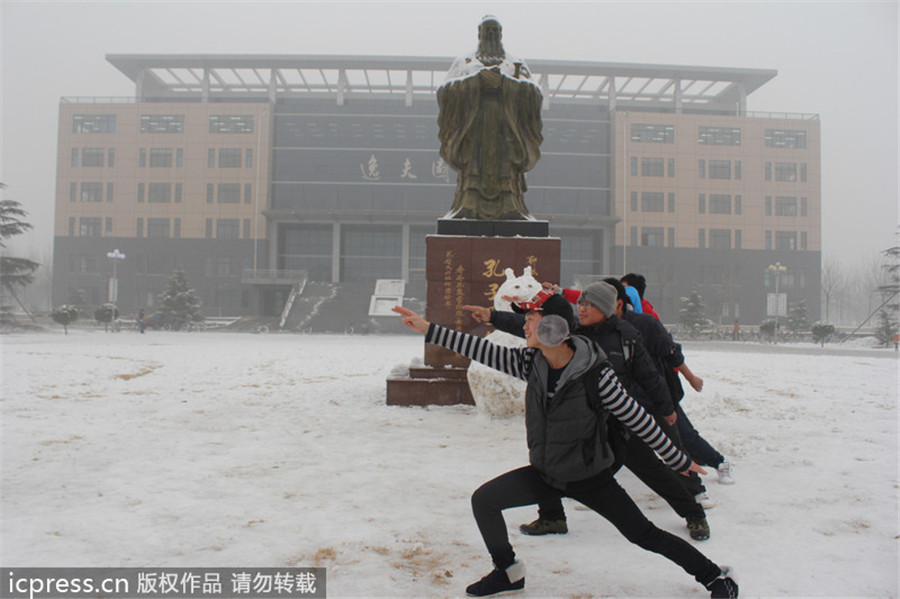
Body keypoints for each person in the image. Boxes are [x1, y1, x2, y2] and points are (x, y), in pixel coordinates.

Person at [392, 298, 738, 598]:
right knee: (484, 501)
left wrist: (678, 458)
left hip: (591, 478)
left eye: (531, 319)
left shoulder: (596, 374)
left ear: (555, 328)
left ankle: (715, 577)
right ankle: (509, 572)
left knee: (644, 535)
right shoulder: (532, 362)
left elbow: (638, 419)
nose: (525, 325)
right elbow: (482, 350)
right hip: (548, 473)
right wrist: (427, 327)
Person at [465, 284, 712, 541]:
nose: (582, 308)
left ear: (606, 309)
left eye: (590, 305)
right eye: (581, 303)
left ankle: (693, 513)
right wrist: (492, 316)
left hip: (619, 421)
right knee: (550, 463)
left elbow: (649, 375)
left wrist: (666, 409)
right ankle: (552, 517)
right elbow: (530, 326)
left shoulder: (626, 335)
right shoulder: (571, 329)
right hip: (582, 418)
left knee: (653, 470)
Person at [437, 15, 544, 220]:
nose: (491, 34)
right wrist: (476, 81)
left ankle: (511, 206)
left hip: (506, 127)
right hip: (474, 126)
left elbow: (534, 92)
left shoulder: (515, 63)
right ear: (479, 34)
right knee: (474, 168)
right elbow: (445, 90)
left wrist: (505, 83)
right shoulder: (465, 62)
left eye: (495, 30)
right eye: (487, 30)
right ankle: (467, 205)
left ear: (501, 34)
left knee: (505, 169)